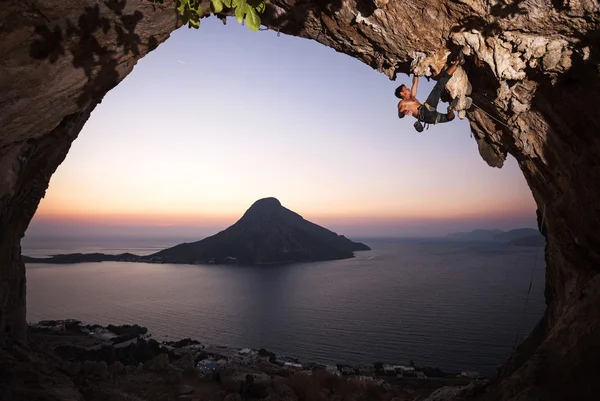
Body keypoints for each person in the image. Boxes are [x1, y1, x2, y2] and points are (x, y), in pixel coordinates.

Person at [395, 52, 465, 132]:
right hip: (426, 111)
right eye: (406, 88)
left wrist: (416, 71)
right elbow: (400, 114)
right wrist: (404, 112)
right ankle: (458, 61)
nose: (408, 88)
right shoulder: (402, 103)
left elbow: (415, 83)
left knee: (449, 118)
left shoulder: (413, 97)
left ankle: (450, 110)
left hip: (430, 118)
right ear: (402, 93)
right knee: (440, 85)